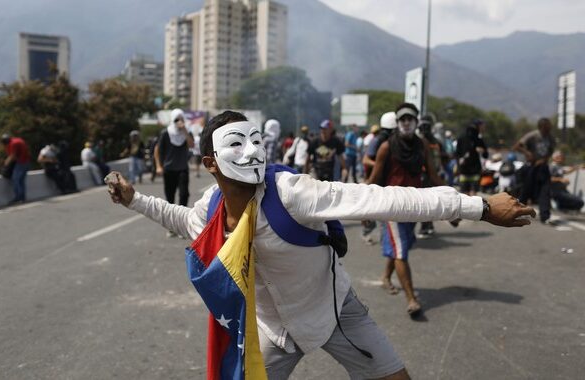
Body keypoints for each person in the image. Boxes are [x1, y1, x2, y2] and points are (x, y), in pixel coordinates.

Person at [107, 110, 534, 380]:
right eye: (237, 144)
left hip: (333, 312)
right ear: (210, 164)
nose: (252, 150)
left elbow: (382, 198)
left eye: (256, 140)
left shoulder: (292, 191)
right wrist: (134, 199)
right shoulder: (212, 207)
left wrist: (478, 205)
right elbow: (185, 222)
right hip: (271, 332)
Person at [367, 103, 445, 316]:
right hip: (392, 206)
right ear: (398, 123)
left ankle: (385, 278)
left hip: (414, 206)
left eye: (411, 119)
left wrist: (454, 202)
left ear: (416, 122)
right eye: (403, 119)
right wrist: (363, 208)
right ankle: (411, 299)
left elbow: (433, 175)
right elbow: (374, 179)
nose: (407, 123)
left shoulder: (422, 146)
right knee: (401, 251)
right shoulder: (386, 147)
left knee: (401, 246)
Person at [154, 108, 194, 238]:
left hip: (182, 168)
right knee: (170, 199)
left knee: (184, 195)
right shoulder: (166, 133)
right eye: (176, 119)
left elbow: (192, 145)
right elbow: (157, 150)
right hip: (169, 169)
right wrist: (159, 166)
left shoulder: (186, 132)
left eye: (181, 119)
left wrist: (184, 130)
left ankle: (181, 226)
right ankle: (171, 227)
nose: (179, 122)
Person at [361, 113, 397, 244]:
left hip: (387, 181)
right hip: (375, 180)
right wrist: (379, 164)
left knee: (384, 213)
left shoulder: (394, 140)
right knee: (375, 211)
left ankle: (385, 240)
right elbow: (365, 159)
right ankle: (370, 234)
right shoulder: (378, 140)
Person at [513, 118, 556, 223]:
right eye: (546, 128)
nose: (548, 130)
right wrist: (527, 153)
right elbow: (517, 146)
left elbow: (551, 150)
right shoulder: (532, 135)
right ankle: (516, 213)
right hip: (532, 167)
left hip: (543, 167)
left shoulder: (550, 137)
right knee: (526, 191)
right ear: (541, 127)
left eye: (549, 128)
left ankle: (545, 216)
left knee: (545, 191)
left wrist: (544, 159)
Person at [417, 115, 447, 237]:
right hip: (435, 174)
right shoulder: (436, 141)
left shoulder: (419, 142)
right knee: (431, 201)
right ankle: (428, 225)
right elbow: (444, 157)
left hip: (425, 175)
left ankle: (425, 227)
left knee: (425, 202)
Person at [455, 119, 488, 195]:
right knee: (472, 196)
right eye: (482, 126)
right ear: (478, 127)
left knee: (464, 196)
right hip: (473, 171)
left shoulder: (461, 137)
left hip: (464, 170)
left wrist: (458, 166)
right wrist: (482, 151)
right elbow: (486, 155)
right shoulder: (478, 139)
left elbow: (456, 154)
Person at [1, 133, 30, 204]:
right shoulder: (18, 140)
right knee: (21, 181)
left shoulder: (13, 143)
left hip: (21, 163)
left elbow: (12, 156)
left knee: (15, 179)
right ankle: (23, 198)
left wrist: (5, 165)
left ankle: (18, 197)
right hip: (26, 162)